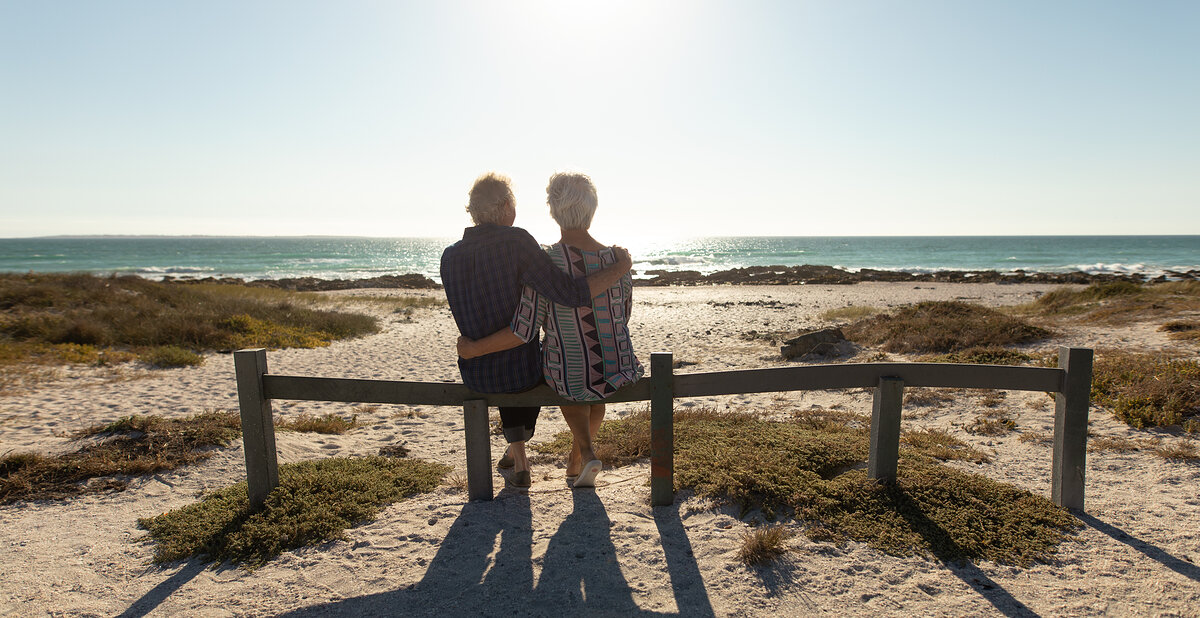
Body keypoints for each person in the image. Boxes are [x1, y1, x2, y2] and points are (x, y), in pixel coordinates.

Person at [441, 172, 632, 488]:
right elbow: (570, 296)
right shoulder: (517, 241)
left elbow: (496, 320)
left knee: (550, 360)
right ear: (505, 207)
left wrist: (472, 349)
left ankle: (520, 455)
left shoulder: (449, 257)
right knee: (565, 364)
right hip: (524, 373)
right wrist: (620, 268)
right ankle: (570, 458)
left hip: (474, 374)